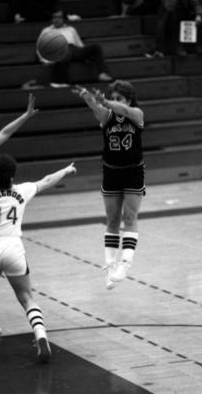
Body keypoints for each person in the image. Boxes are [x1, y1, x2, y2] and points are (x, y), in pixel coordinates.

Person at [0, 95, 77, 362]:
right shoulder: (22, 190)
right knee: (26, 296)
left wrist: (25, 117)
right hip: (12, 247)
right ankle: (40, 336)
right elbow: (46, 180)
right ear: (11, 176)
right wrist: (67, 169)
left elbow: (2, 134)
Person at [72, 80, 145, 290]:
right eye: (112, 97)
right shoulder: (107, 116)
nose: (114, 102)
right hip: (111, 172)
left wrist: (106, 101)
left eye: (118, 98)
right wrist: (88, 97)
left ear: (128, 100)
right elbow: (97, 108)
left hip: (133, 171)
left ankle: (125, 263)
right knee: (112, 220)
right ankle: (110, 267)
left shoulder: (137, 114)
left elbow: (120, 108)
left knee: (130, 217)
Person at [36, 9, 112, 87]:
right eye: (55, 17)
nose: (57, 20)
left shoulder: (71, 29)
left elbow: (79, 44)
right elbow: (40, 47)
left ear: (63, 19)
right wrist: (44, 60)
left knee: (96, 47)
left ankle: (103, 73)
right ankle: (60, 82)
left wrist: (85, 55)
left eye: (59, 17)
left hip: (74, 51)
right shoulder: (47, 30)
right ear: (52, 19)